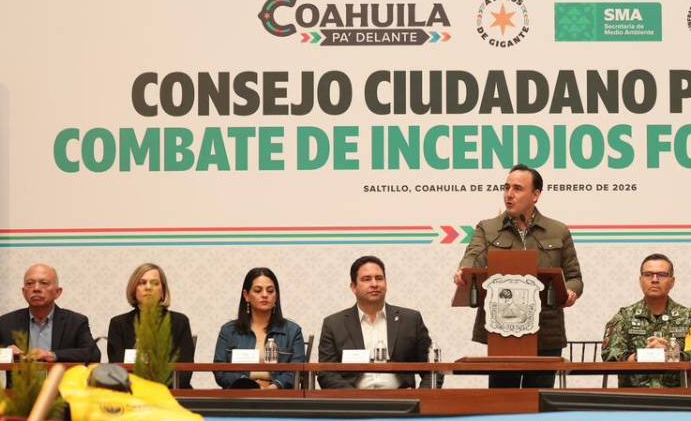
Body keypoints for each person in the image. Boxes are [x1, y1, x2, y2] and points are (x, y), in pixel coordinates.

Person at [454, 164, 582, 388]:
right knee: (503, 402)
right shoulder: (488, 228)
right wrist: (464, 270)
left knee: (540, 402)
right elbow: (473, 257)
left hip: (546, 330)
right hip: (502, 329)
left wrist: (571, 291)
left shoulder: (558, 231)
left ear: (535, 195)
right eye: (506, 187)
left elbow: (574, 277)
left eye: (517, 188)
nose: (509, 194)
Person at [317, 255, 439, 389]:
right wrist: (355, 397)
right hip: (353, 399)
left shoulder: (410, 320)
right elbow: (326, 373)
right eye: (366, 279)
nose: (374, 284)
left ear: (386, 284)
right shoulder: (334, 324)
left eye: (379, 278)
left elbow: (433, 368)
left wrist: (422, 396)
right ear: (353, 287)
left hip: (401, 398)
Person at [601, 254, 691, 388]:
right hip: (633, 396)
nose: (655, 280)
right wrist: (643, 356)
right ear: (640, 280)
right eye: (648, 275)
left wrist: (670, 355)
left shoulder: (690, 318)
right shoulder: (624, 317)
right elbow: (610, 355)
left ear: (672, 281)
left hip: (677, 396)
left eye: (662, 275)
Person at [106, 263, 196, 388]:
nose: (148, 287)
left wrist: (157, 390)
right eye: (142, 283)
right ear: (134, 289)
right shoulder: (119, 324)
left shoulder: (179, 322)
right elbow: (118, 371)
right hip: (131, 392)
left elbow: (185, 372)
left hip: (170, 393)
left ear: (163, 291)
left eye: (155, 283)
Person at [213, 267, 305, 389]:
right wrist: (249, 385)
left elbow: (297, 370)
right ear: (246, 295)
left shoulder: (293, 331)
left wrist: (274, 387)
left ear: (276, 297)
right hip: (240, 394)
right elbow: (220, 371)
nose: (265, 295)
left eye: (270, 291)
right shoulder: (229, 331)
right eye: (258, 290)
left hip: (279, 395)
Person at [0, 263, 100, 363]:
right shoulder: (7, 322)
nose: (36, 288)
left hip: (59, 380)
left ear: (58, 292)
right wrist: (5, 353)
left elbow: (93, 354)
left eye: (44, 283)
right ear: (23, 292)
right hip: (20, 380)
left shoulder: (75, 322)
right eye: (30, 283)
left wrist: (52, 355)